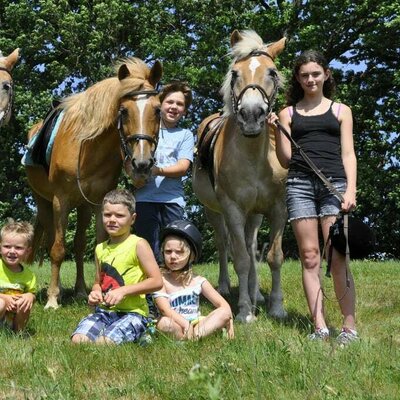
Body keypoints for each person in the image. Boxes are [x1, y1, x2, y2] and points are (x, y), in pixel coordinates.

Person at [268, 50, 358, 344]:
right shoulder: (288, 113)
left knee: (337, 257)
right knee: (309, 257)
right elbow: (285, 160)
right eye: (304, 74)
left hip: (334, 185)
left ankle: (349, 328)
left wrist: (351, 189)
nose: (310, 79)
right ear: (297, 78)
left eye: (315, 73)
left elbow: (348, 153)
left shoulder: (341, 110)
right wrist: (277, 132)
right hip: (299, 185)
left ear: (326, 75)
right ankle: (319, 327)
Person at [71, 189, 163, 345]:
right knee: (78, 341)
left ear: (132, 219)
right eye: (107, 215)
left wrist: (123, 290)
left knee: (104, 343)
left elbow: (157, 281)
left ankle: (143, 331)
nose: (112, 220)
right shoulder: (100, 248)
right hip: (104, 312)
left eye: (119, 216)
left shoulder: (138, 244)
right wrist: (95, 292)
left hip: (133, 313)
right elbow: (98, 282)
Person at [134, 82, 195, 262]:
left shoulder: (185, 134)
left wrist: (157, 170)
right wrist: (133, 175)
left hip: (172, 201)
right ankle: (150, 287)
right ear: (160, 104)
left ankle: (172, 286)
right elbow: (129, 162)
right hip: (144, 199)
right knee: (147, 250)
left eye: (180, 104)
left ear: (184, 111)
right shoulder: (144, 131)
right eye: (170, 102)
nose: (174, 107)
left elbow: (183, 167)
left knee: (173, 249)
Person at [153, 220, 234, 340]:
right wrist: (186, 324)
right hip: (176, 324)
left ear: (191, 255)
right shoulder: (161, 280)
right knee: (164, 323)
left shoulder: (199, 281)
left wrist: (230, 324)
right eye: (168, 252)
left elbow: (223, 305)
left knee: (224, 312)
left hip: (197, 324)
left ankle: (194, 337)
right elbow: (165, 309)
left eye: (179, 252)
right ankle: (191, 338)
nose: (173, 256)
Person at [0, 219, 36, 332]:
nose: (12, 251)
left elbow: (32, 293)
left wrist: (30, 296)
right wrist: (4, 298)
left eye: (18, 248)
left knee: (25, 303)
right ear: (0, 248)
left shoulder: (29, 276)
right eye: (7, 246)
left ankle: (18, 334)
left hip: (13, 318)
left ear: (27, 251)